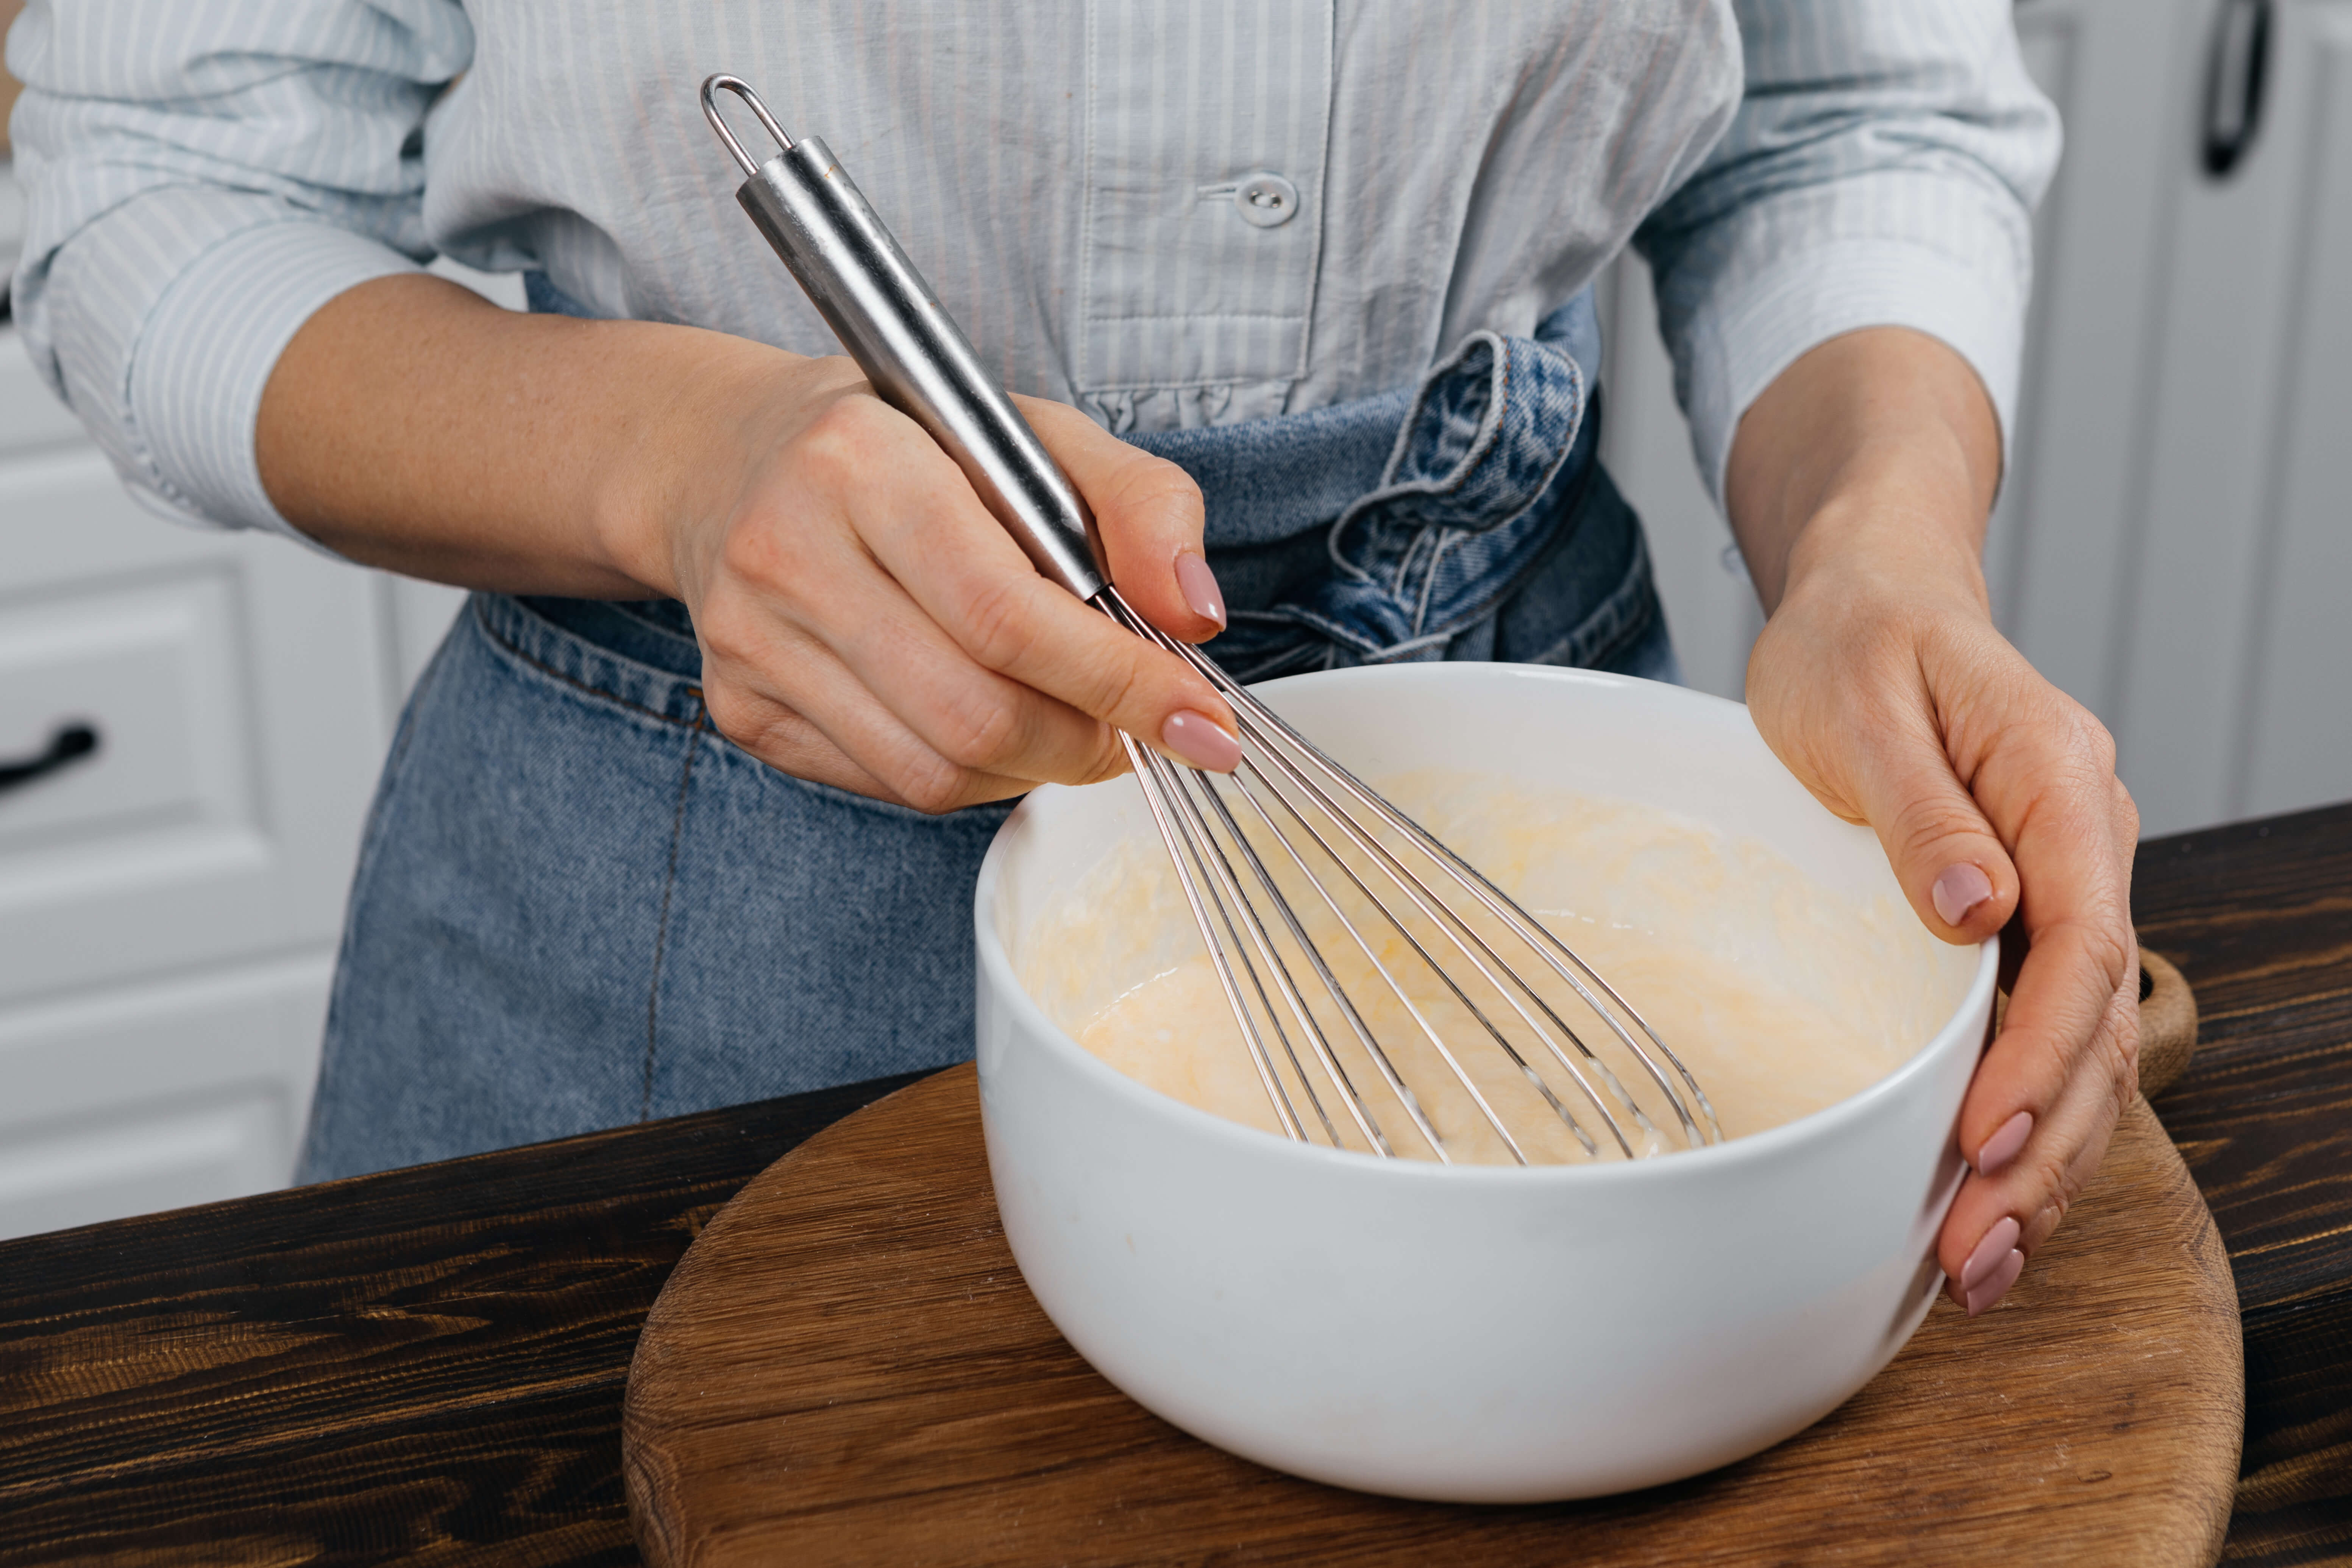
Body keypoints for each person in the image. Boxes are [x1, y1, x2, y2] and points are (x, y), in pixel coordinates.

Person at [8, 1, 2138, 1319]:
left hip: (1516, 684)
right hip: (671, 870)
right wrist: (684, 456)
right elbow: (153, 184)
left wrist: (1879, 555)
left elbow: (1842, 111)